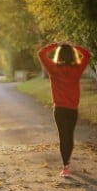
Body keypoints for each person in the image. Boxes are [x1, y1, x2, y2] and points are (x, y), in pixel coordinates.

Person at [37, 40, 91, 178]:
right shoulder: (77, 69)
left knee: (63, 136)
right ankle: (67, 164)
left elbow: (41, 53)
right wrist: (75, 45)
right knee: (70, 136)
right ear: (72, 55)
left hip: (59, 109)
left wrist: (55, 44)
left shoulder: (53, 69)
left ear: (59, 55)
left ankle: (65, 166)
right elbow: (87, 54)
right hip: (72, 109)